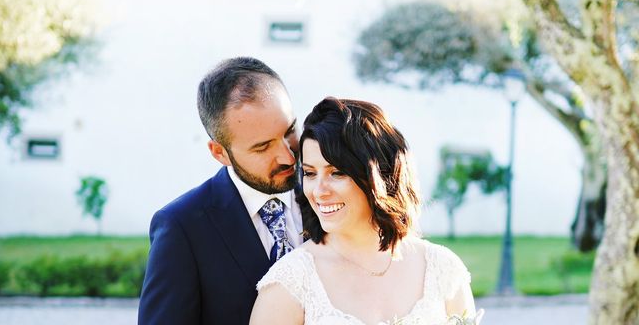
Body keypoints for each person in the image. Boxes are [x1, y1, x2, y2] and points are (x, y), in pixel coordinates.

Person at [250, 97, 483, 325]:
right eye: (310, 173)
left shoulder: (443, 269)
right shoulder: (289, 284)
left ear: (379, 175)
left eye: (337, 173)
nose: (319, 191)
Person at [138, 57, 304, 325]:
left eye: (290, 131)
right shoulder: (182, 227)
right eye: (262, 147)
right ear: (219, 153)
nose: (287, 156)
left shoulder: (332, 198)